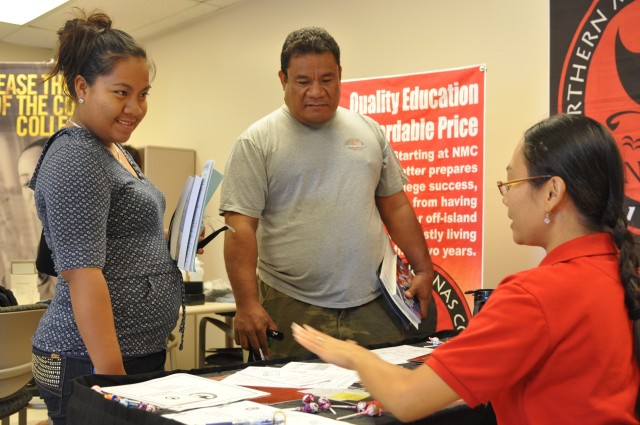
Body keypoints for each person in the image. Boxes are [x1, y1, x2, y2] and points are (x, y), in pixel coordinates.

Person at [293, 114, 640, 424]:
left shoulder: (534, 296)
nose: (505, 197)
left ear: (552, 192)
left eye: (511, 183)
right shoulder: (614, 270)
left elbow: (407, 399)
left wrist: (353, 354)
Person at [219, 26, 436, 360]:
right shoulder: (257, 142)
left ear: (340, 76)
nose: (316, 91)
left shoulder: (369, 131)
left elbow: (395, 205)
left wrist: (423, 269)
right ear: (283, 80)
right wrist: (246, 303)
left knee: (382, 404)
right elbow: (240, 228)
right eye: (303, 81)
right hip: (292, 304)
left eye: (327, 79)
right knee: (292, 405)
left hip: (375, 304)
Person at [28, 11, 185, 425]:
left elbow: (119, 236)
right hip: (89, 359)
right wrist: (112, 382)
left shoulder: (112, 150)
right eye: (121, 93)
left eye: (143, 93)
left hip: (128, 351)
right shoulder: (77, 156)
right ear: (82, 86)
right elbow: (83, 275)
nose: (135, 107)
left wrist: (173, 238)